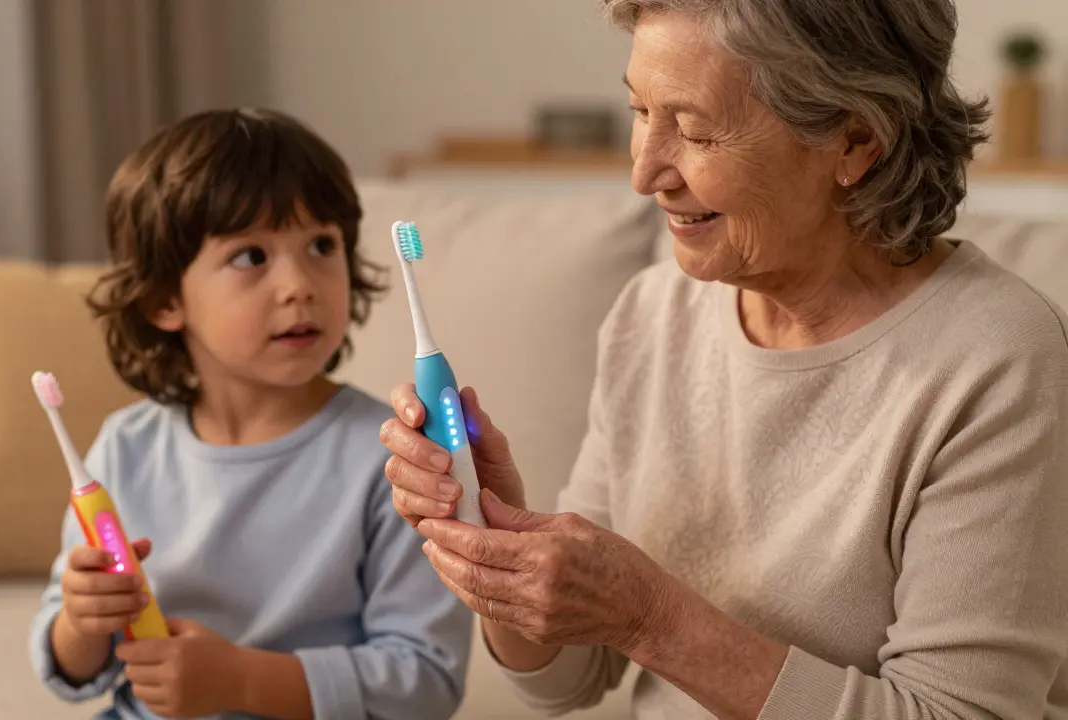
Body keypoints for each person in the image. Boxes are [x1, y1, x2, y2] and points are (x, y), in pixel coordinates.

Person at [379, 1, 1068, 718]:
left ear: (855, 140)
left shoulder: (998, 360)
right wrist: (494, 537)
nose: (645, 173)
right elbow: (566, 681)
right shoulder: (653, 315)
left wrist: (654, 619)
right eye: (641, 112)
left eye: (696, 130)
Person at [28, 108, 472, 720]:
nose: (299, 284)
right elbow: (75, 669)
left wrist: (242, 682)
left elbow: (425, 680)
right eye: (250, 257)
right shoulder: (122, 449)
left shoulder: (398, 459)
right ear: (164, 302)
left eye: (321, 245)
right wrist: (81, 622)